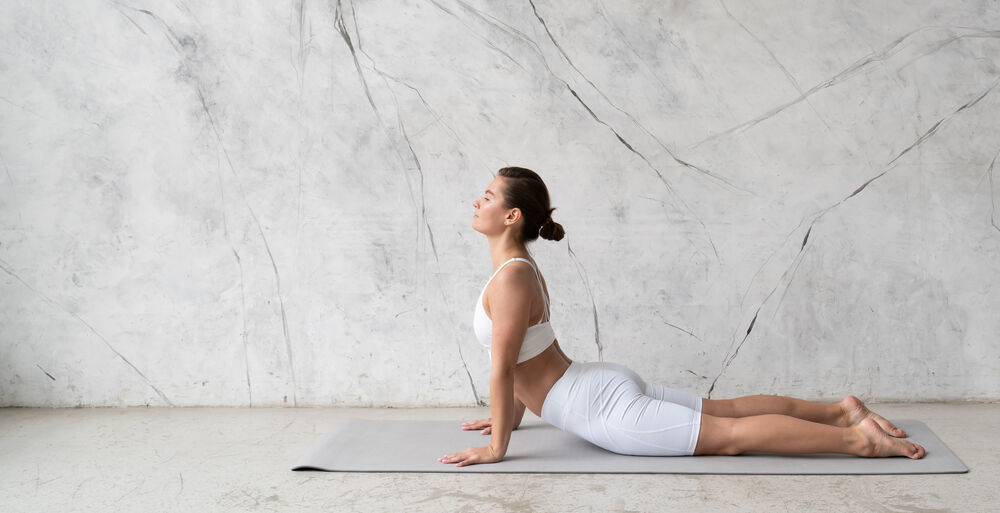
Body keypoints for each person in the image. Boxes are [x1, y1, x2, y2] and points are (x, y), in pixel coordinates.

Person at [438, 167, 925, 467]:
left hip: (601, 408)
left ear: (511, 217)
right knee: (726, 410)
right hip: (593, 385)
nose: (476, 201)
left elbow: (505, 368)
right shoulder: (514, 272)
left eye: (487, 196)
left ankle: (860, 443)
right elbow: (524, 359)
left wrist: (497, 448)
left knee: (730, 435)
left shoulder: (511, 277)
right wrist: (509, 420)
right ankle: (842, 412)